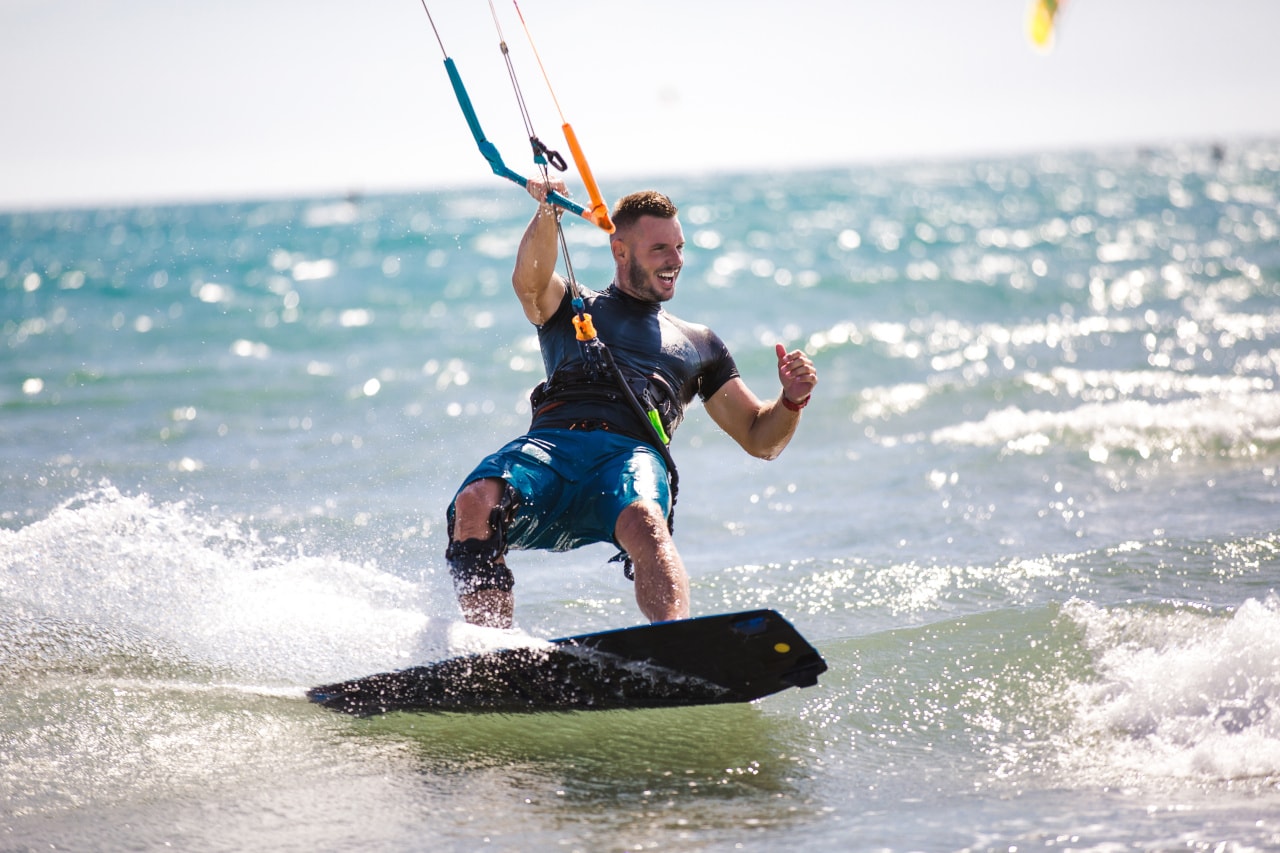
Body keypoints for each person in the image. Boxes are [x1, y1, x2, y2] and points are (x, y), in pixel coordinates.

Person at [445, 178, 818, 629]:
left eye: (679, 247)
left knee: (644, 519)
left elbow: (760, 437)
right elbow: (529, 283)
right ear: (620, 251)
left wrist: (792, 400)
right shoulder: (572, 305)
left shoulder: (700, 344)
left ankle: (671, 641)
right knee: (475, 500)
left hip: (628, 457)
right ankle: (488, 650)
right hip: (551, 450)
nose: (676, 260)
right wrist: (549, 212)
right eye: (661, 248)